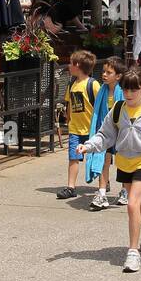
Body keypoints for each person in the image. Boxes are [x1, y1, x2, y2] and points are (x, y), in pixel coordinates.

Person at [78, 66, 141, 273]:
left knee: (132, 204)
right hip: (124, 162)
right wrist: (88, 145)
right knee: (136, 203)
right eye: (126, 90)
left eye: (134, 90)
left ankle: (133, 252)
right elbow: (105, 135)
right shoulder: (118, 109)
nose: (129, 94)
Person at [57, 49, 99, 201]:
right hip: (75, 128)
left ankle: (103, 181)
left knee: (96, 158)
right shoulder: (72, 84)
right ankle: (71, 187)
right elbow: (69, 103)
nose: (69, 65)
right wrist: (68, 118)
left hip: (91, 129)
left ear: (78, 65)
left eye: (71, 63)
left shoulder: (93, 84)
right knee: (73, 158)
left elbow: (99, 105)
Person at [87, 56, 126, 210]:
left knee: (123, 162)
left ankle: (125, 191)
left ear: (118, 76)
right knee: (104, 160)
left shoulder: (123, 92)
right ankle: (102, 193)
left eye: (109, 72)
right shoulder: (102, 91)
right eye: (103, 71)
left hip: (122, 132)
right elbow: (98, 112)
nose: (104, 74)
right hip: (106, 131)